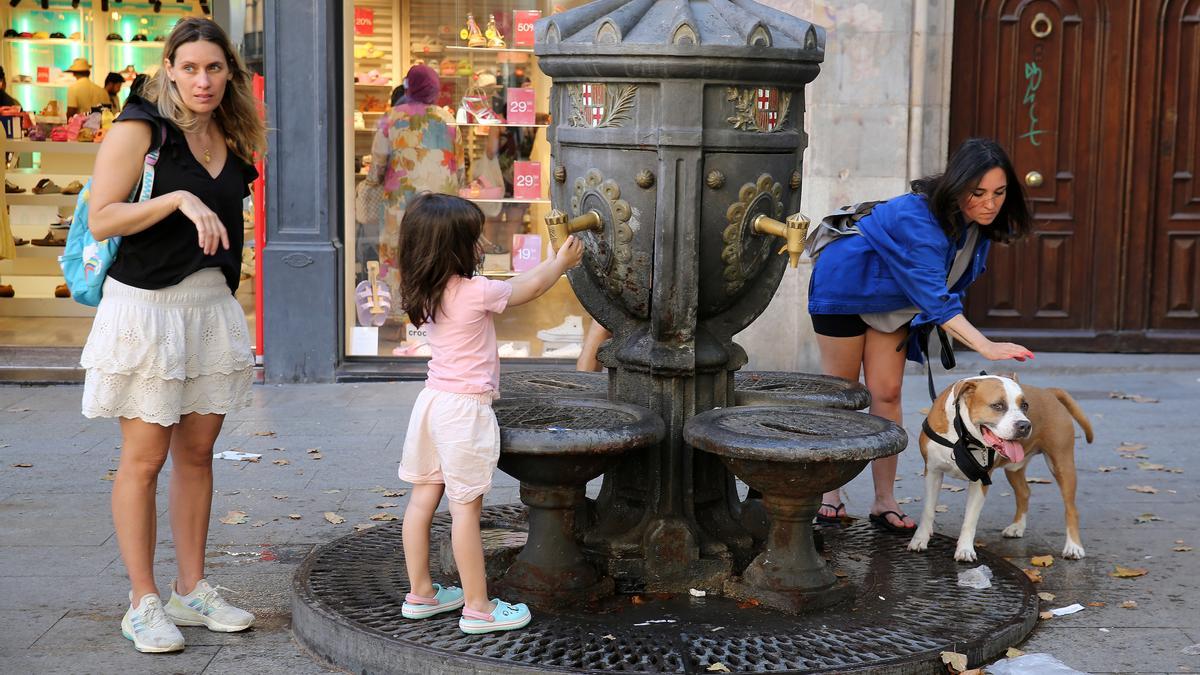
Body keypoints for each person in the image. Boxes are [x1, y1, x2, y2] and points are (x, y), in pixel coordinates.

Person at [80, 17, 266, 653]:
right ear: (168, 68)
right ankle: (143, 601)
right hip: (146, 311)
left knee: (196, 454)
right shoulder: (141, 127)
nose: (202, 80)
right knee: (145, 456)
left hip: (208, 307)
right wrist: (176, 201)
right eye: (189, 68)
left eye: (214, 68)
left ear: (229, 73)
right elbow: (102, 217)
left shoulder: (233, 131)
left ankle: (192, 588)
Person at [807, 137, 1034, 533]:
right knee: (841, 394)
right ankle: (829, 493)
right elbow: (936, 296)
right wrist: (985, 345)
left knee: (888, 392)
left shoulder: (978, 226)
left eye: (999, 193)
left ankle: (884, 500)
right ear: (957, 184)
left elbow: (945, 288)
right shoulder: (921, 217)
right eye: (978, 192)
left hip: (894, 300)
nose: (990, 203)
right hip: (844, 287)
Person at [396, 193, 583, 634]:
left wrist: (550, 262)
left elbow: (519, 280)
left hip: (432, 403)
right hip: (465, 411)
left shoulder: (425, 288)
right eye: (474, 237)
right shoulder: (474, 290)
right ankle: (478, 607)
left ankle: (421, 592)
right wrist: (561, 263)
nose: (481, 243)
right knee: (465, 510)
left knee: (422, 500)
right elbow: (529, 288)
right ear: (456, 247)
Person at [366, 64, 461, 311]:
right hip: (442, 207)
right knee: (437, 255)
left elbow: (376, 168)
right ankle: (438, 313)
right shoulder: (448, 119)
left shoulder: (392, 118)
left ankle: (399, 316)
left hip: (401, 207)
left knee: (398, 258)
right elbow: (459, 169)